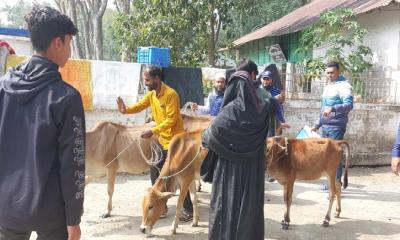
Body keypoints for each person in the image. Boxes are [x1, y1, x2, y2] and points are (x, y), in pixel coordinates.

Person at [0, 6, 84, 240]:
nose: (69, 50)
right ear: (58, 42)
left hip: (6, 208)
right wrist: (73, 220)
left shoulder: (3, 86)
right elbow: (73, 164)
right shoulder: (66, 98)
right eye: (69, 43)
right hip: (51, 214)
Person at [203, 59, 275, 240]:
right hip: (252, 172)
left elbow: (208, 136)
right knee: (249, 209)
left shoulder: (229, 111)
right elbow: (271, 106)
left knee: (224, 207)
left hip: (227, 172)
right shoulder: (263, 109)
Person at [116, 65, 193, 221]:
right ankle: (161, 205)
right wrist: (126, 110)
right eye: (145, 79)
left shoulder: (171, 95)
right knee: (155, 172)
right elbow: (140, 105)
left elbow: (171, 121)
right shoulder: (152, 94)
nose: (145, 83)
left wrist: (152, 131)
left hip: (176, 142)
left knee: (177, 175)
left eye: (148, 79)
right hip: (162, 141)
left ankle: (189, 209)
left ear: (157, 79)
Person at [311, 61, 354, 189]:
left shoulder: (344, 86)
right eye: (327, 73)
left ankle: (336, 185)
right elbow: (323, 109)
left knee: (334, 157)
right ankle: (329, 183)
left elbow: (349, 105)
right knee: (326, 156)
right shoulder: (329, 86)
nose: (330, 75)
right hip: (326, 127)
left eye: (332, 72)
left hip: (336, 127)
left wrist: (333, 108)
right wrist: (317, 125)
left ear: (338, 72)